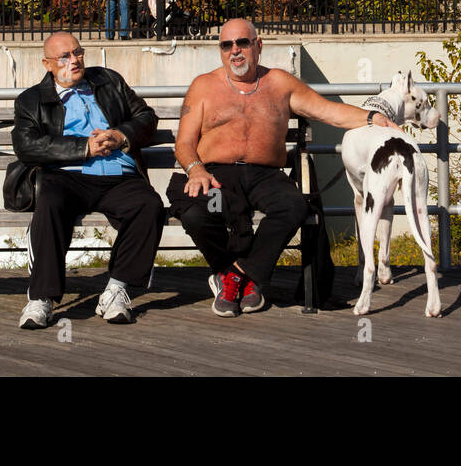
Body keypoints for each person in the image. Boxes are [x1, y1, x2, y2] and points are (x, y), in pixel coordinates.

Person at [170, 17, 399, 317]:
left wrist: (372, 118)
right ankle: (230, 273)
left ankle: (239, 275)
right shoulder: (204, 86)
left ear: (258, 45)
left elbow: (328, 111)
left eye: (243, 43)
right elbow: (184, 143)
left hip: (265, 177)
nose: (235, 51)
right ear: (221, 50)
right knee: (202, 212)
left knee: (294, 206)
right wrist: (196, 169)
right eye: (227, 45)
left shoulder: (279, 83)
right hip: (218, 178)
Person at [12, 31, 163, 328]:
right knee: (51, 202)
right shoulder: (31, 100)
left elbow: (146, 117)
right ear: (47, 64)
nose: (75, 60)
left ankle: (116, 289)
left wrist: (121, 135)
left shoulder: (109, 81)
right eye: (65, 56)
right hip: (67, 174)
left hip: (118, 173)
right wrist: (84, 147)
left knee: (149, 206)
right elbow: (27, 146)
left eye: (78, 52)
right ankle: (41, 296)